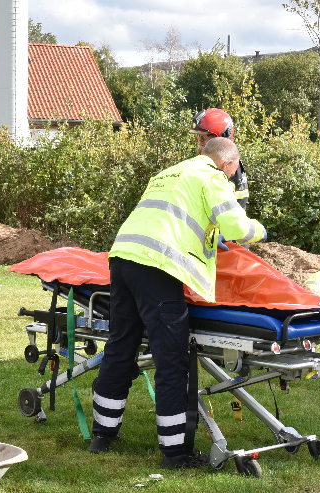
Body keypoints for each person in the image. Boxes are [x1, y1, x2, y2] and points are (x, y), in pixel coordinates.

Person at [90, 137, 267, 469]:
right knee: (172, 360)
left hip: (123, 258)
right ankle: (176, 453)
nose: (231, 176)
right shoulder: (213, 177)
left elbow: (174, 218)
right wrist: (259, 230)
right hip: (157, 268)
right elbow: (236, 226)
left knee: (120, 347)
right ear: (228, 163)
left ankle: (102, 435)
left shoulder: (170, 172)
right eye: (233, 170)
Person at [191, 108, 250, 209]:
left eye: (206, 136)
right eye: (198, 135)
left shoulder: (230, 168)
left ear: (223, 136)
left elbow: (232, 212)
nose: (200, 140)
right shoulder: (203, 163)